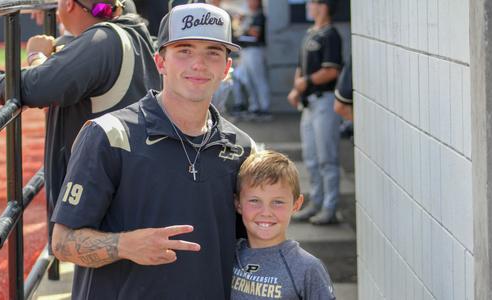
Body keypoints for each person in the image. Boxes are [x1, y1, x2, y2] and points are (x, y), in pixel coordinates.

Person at [50, 3, 255, 299]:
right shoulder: (109, 135)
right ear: (160, 62)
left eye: (212, 52)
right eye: (184, 50)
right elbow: (63, 243)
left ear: (226, 68)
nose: (198, 64)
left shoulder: (239, 148)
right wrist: (125, 245)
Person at [0, 0, 161, 232]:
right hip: (127, 194)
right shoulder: (132, 29)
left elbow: (38, 87)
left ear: (69, 4)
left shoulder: (102, 42)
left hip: (104, 206)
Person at [232, 150, 336, 299]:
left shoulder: (307, 268)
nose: (266, 212)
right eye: (255, 201)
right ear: (238, 203)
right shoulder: (229, 256)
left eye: (278, 202)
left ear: (296, 204)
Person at [287, 0, 342, 225]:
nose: (308, 6)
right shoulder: (311, 33)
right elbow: (300, 67)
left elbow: (332, 71)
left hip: (324, 101)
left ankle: (330, 208)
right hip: (309, 103)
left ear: (323, 6)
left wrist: (305, 82)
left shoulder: (331, 35)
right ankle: (316, 202)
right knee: (311, 158)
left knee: (327, 159)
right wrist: (296, 88)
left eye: (312, 2)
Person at [232, 0, 271, 120]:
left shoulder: (259, 15)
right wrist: (240, 23)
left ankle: (264, 108)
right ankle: (254, 107)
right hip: (244, 51)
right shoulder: (247, 16)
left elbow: (254, 34)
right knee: (247, 80)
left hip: (256, 50)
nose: (250, 3)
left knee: (259, 79)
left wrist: (243, 27)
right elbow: (237, 30)